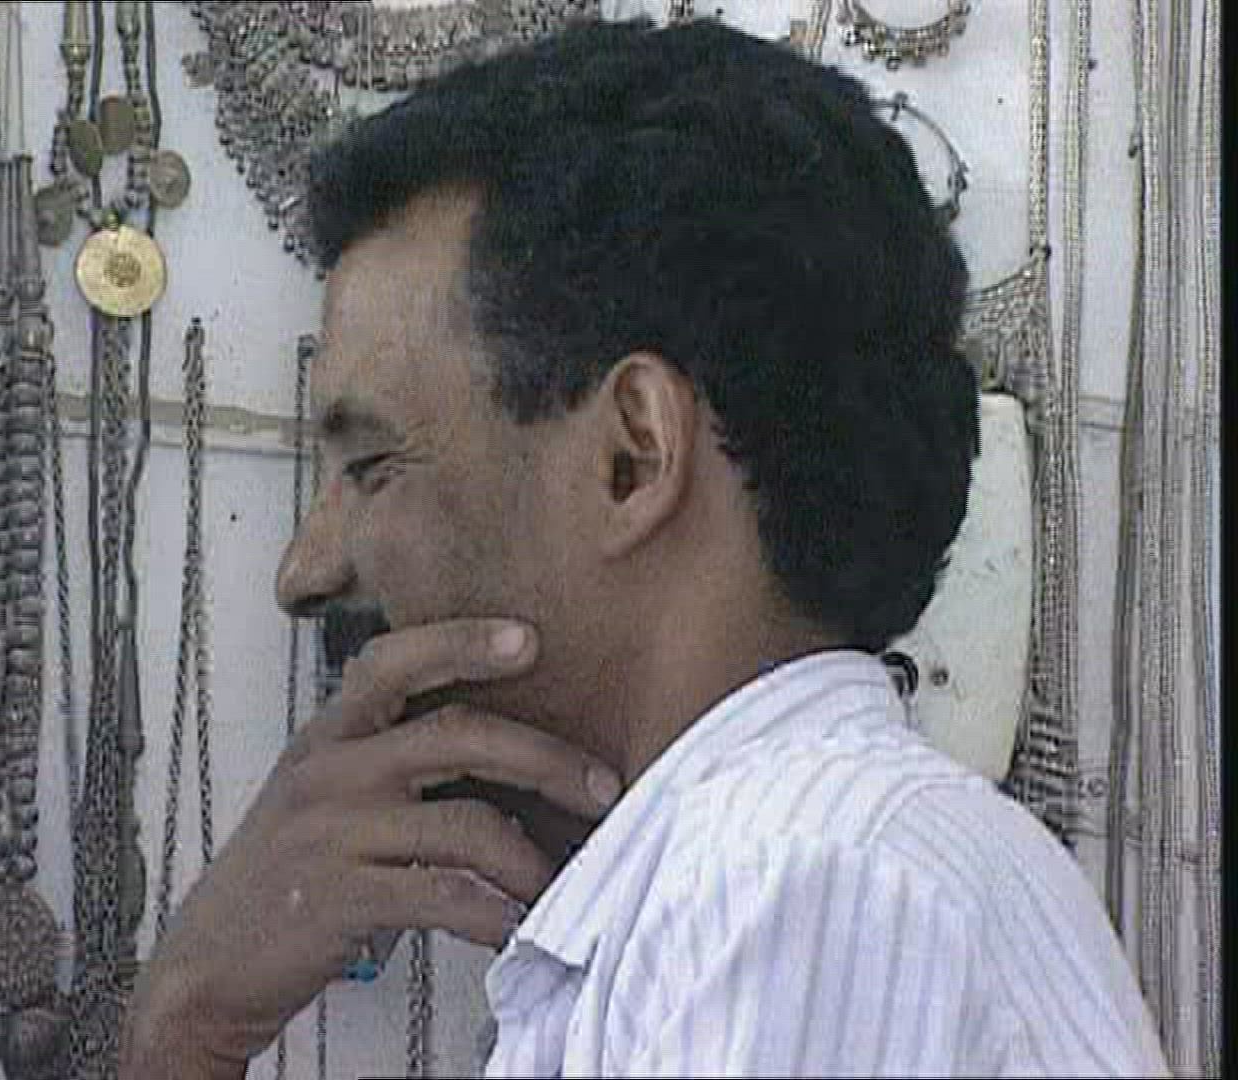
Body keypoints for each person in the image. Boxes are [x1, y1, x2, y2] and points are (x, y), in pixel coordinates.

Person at [121, 17, 1169, 1078]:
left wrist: (186, 1025)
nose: (305, 573)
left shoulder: (803, 881)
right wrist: (191, 1026)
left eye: (374, 465)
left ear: (633, 457)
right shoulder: (745, 882)